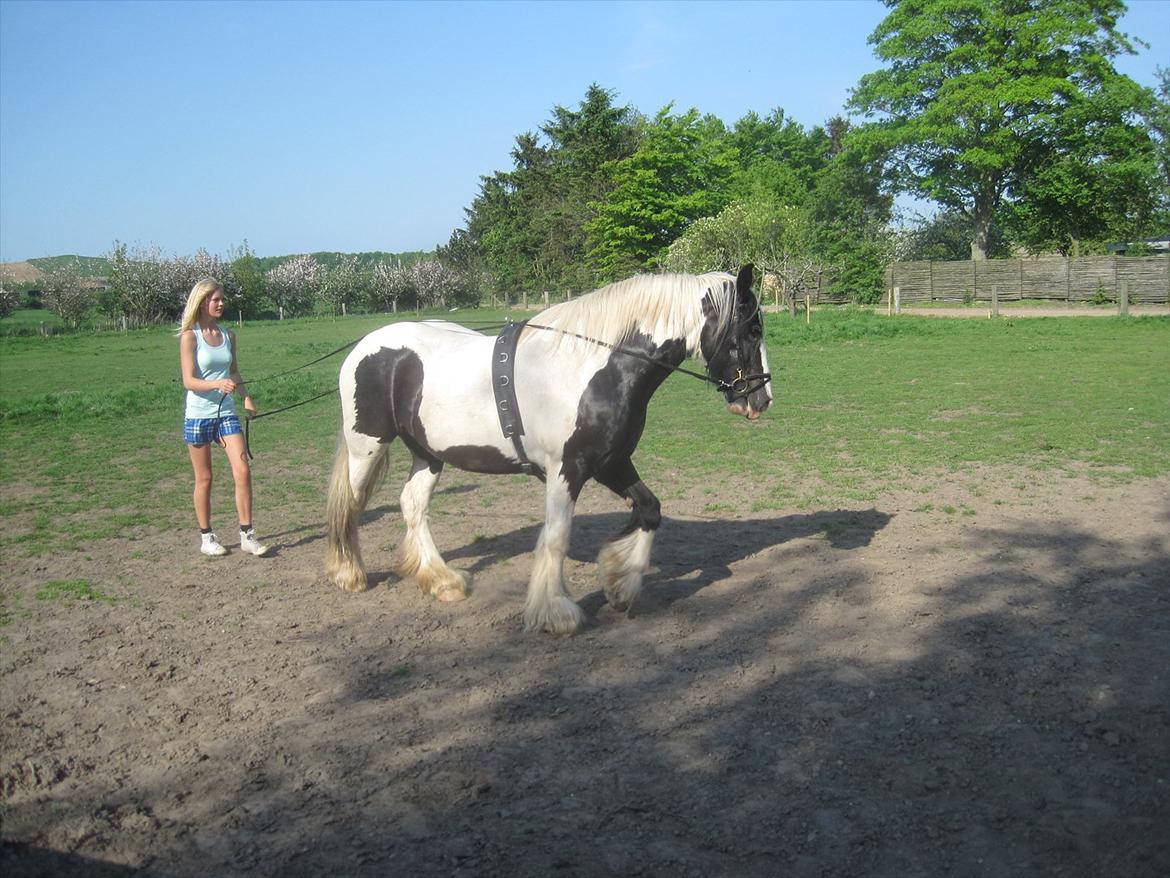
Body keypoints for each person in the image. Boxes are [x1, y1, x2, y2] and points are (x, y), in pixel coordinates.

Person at [178, 278, 269, 557]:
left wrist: (246, 397)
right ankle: (207, 537)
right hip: (199, 416)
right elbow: (189, 381)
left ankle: (247, 535)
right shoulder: (190, 336)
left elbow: (234, 372)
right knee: (204, 478)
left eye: (222, 299)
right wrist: (217, 385)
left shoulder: (229, 335)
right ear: (203, 302)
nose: (221, 304)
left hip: (226, 414)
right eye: (216, 300)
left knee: (243, 471)